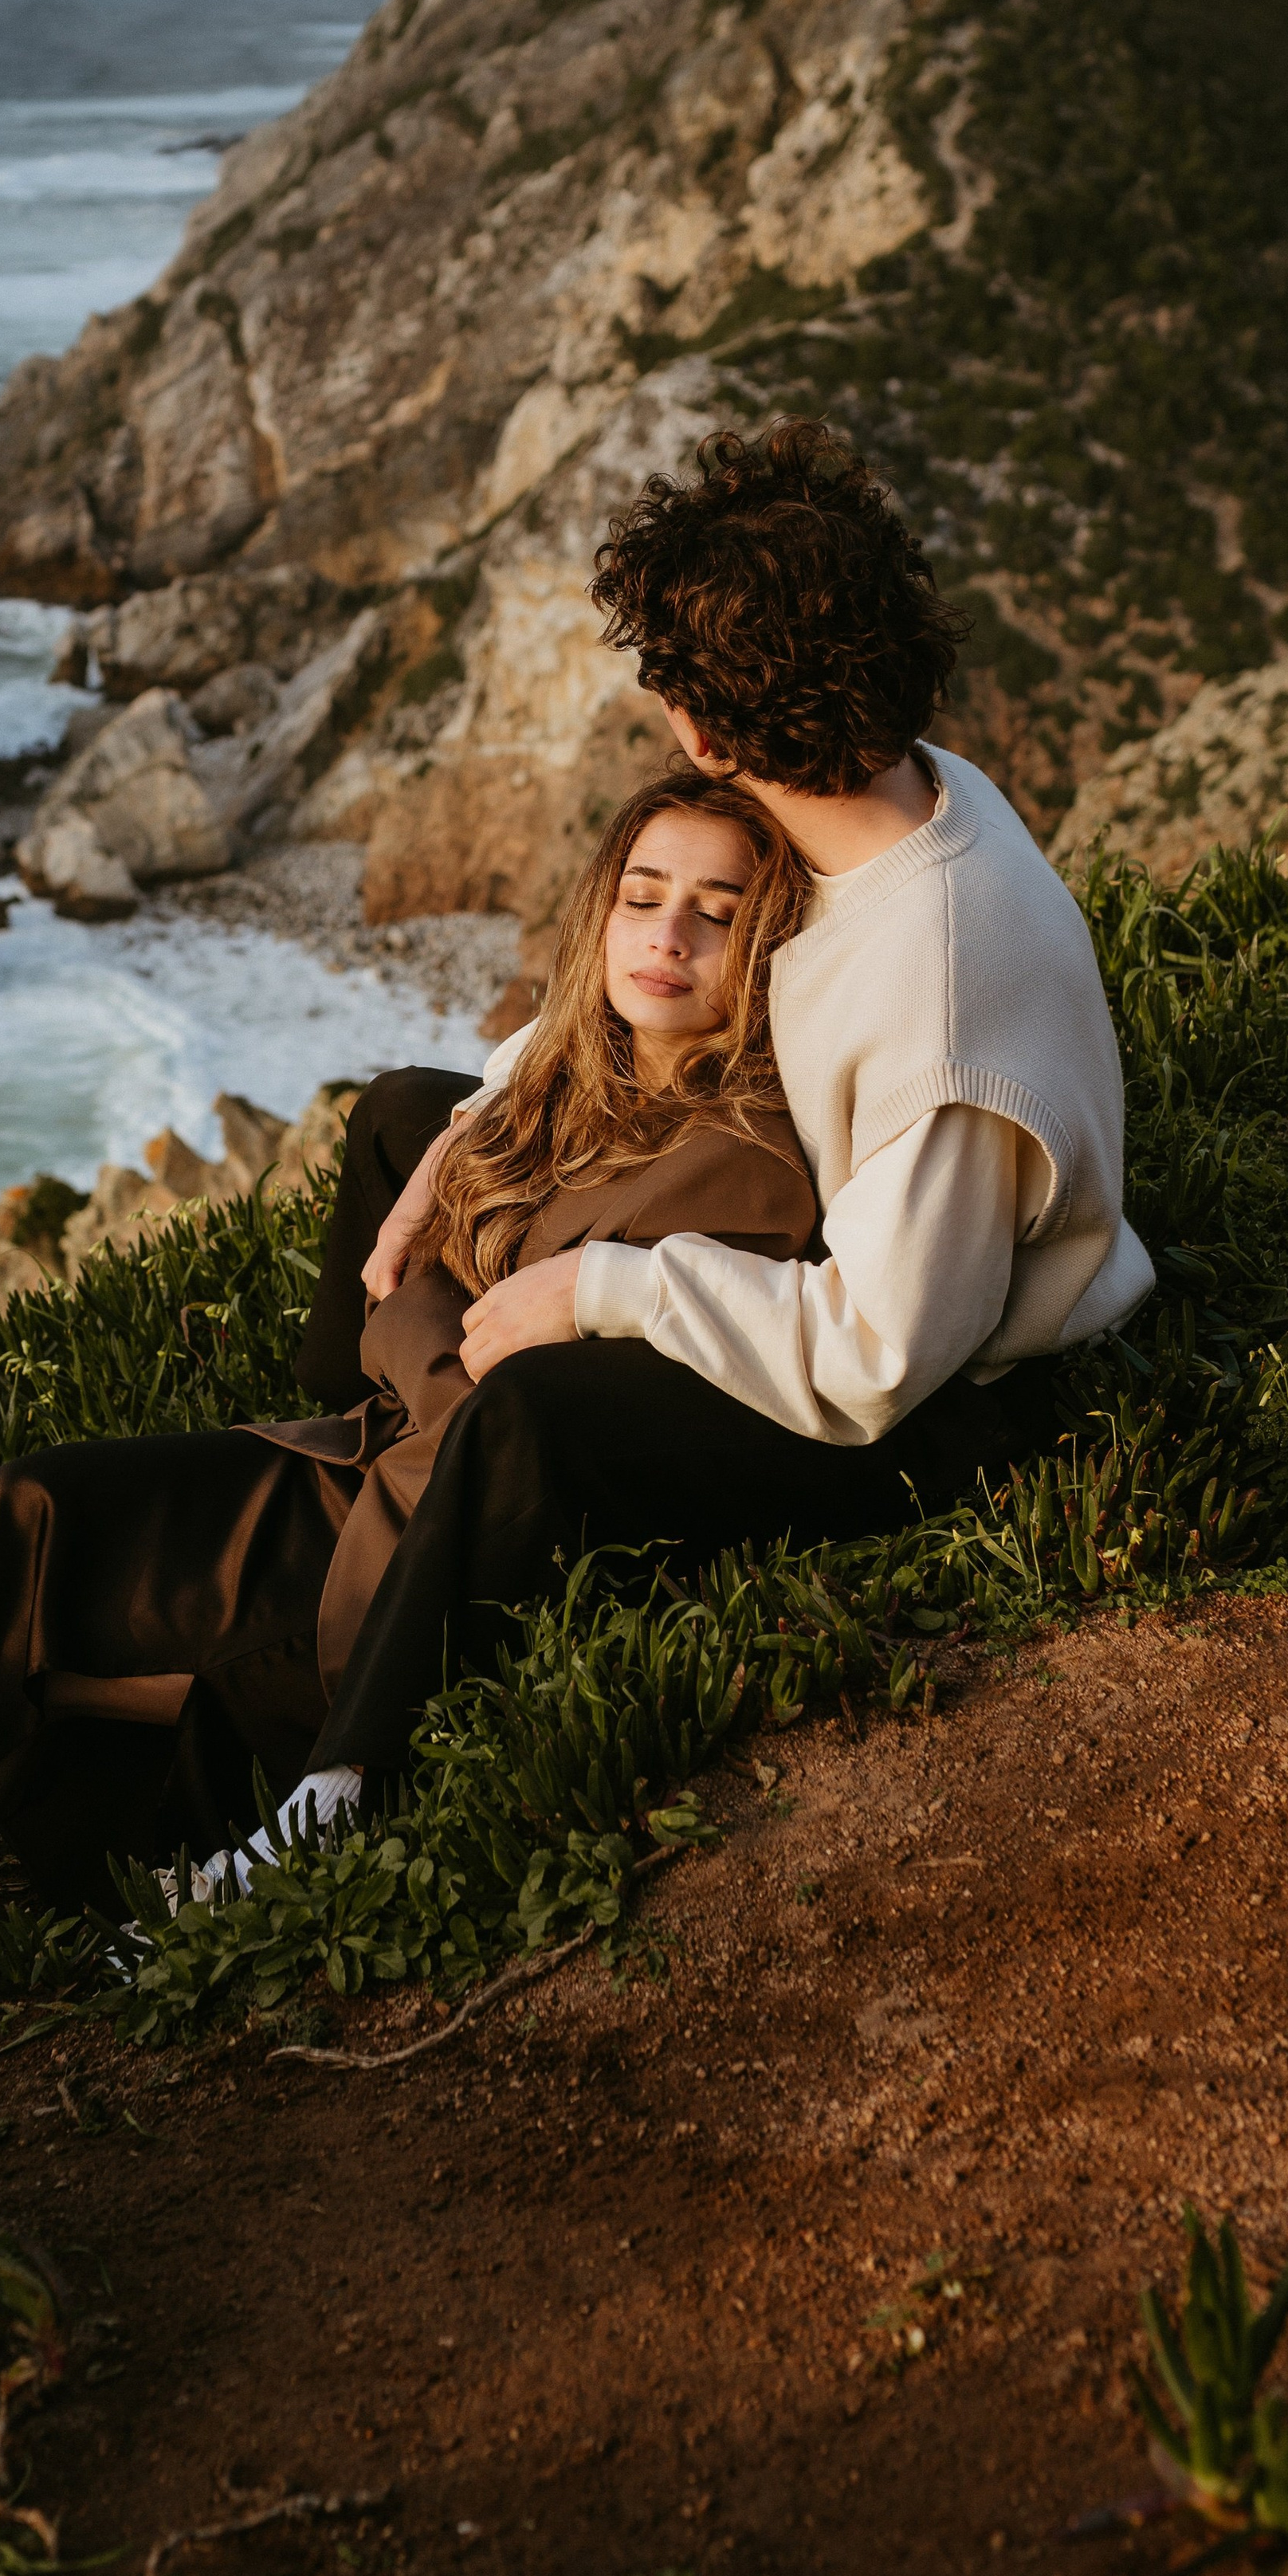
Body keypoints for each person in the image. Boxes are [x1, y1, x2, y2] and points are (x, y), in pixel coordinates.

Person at [0, 766, 818, 2046]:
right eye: (644, 898)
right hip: (362, 1467)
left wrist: (423, 1319)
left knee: (23, 1646)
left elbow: (504, 1393)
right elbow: (416, 1311)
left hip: (409, 1564)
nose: (668, 936)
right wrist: (431, 1315)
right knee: (30, 1504)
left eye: (717, 913)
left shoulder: (749, 1168)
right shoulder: (563, 1082)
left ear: (768, 944)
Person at [290, 415, 1154, 1796]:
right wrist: (476, 1124)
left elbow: (877, 1359)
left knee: (536, 1414)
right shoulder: (885, 788)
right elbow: (638, 1013)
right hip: (821, 1224)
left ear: (699, 731)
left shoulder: (939, 994)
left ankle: (334, 1785)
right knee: (403, 1113)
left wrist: (606, 1288)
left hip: (943, 1410)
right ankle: (343, 1471)